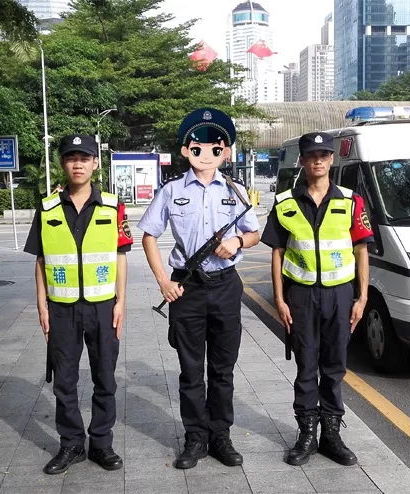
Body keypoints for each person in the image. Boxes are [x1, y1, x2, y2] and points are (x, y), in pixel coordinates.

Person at [138, 108, 260, 469]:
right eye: (197, 146)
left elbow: (254, 233)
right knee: (191, 370)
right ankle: (195, 438)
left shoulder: (236, 191)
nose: (206, 153)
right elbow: (148, 236)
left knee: (223, 369)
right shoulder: (172, 190)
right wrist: (164, 280)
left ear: (225, 152)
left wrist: (237, 241)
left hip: (225, 287)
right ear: (185, 150)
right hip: (186, 288)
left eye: (214, 147)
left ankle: (220, 435)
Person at [260, 131, 373, 467]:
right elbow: (277, 253)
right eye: (312, 155)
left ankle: (331, 435)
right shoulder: (285, 203)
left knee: (335, 367)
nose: (318, 160)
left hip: (340, 295)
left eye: (324, 155)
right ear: (302, 160)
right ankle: (307, 433)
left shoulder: (351, 201)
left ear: (332, 159)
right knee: (306, 367)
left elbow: (361, 251)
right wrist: (279, 300)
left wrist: (362, 298)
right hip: (301, 296)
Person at [23, 134, 132, 475]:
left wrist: (121, 303)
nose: (78, 164)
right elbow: (41, 259)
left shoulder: (113, 206)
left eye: (84, 158)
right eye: (71, 158)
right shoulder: (47, 208)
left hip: (103, 307)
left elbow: (121, 256)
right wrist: (41, 305)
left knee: (105, 379)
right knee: (64, 381)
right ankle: (71, 444)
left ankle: (101, 444)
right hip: (62, 308)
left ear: (95, 163)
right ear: (62, 163)